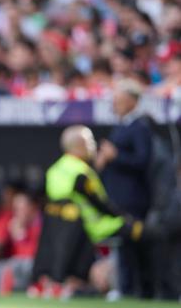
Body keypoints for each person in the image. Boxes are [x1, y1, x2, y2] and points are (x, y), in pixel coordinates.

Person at [34, 125, 144, 296]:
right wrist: (125, 217)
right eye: (90, 142)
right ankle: (129, 287)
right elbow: (101, 204)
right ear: (80, 145)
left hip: (63, 232)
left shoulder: (55, 169)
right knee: (140, 231)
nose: (94, 146)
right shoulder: (81, 171)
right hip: (90, 227)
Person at [96, 79, 153, 297]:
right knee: (124, 246)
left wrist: (115, 155)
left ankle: (140, 290)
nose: (115, 102)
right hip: (119, 197)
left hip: (133, 198)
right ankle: (125, 287)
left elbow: (142, 160)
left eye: (118, 98)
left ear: (132, 100)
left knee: (136, 246)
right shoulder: (121, 125)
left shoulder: (140, 126)